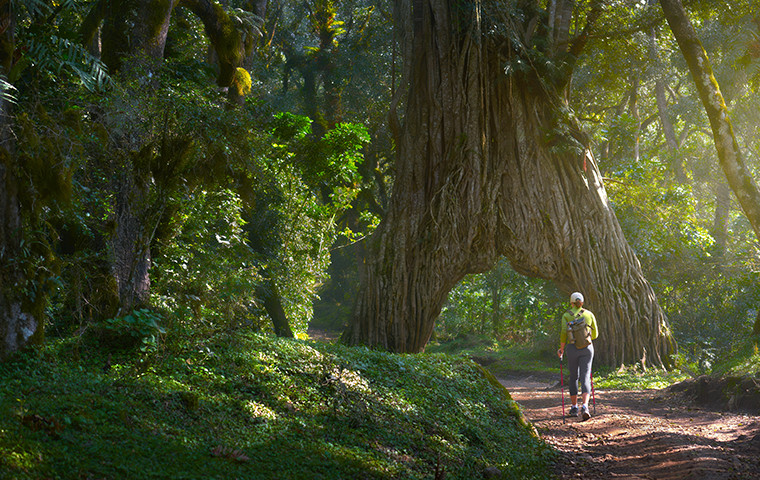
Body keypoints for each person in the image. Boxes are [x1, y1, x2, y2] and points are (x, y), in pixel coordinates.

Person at [557, 292, 598, 420]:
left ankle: (574, 407)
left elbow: (564, 332)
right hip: (587, 348)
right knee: (585, 376)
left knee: (574, 377)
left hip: (572, 348)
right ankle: (585, 406)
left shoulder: (566, 315)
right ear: (582, 302)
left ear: (571, 302)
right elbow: (595, 334)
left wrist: (562, 349)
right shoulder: (589, 314)